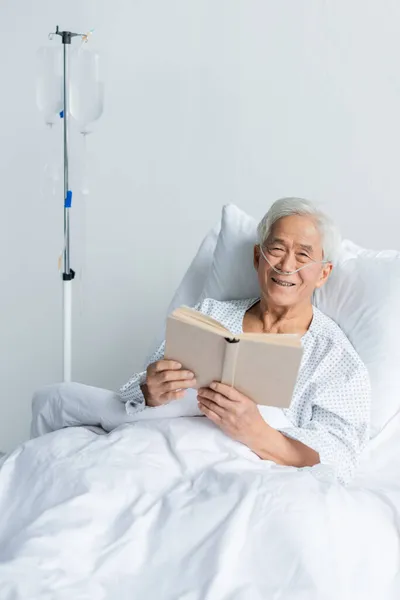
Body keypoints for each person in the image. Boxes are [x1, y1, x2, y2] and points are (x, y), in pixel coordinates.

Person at [32, 198, 370, 485]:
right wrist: (150, 391)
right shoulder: (208, 315)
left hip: (244, 473)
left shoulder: (335, 358)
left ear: (323, 273)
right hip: (158, 450)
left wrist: (258, 432)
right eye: (277, 249)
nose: (285, 265)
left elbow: (342, 459)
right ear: (257, 258)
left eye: (303, 256)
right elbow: (133, 394)